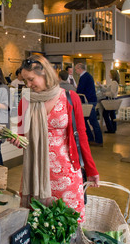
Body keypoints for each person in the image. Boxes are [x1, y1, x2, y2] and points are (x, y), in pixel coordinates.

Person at [9, 55, 99, 222]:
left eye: (31, 79)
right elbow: (23, 138)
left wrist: (91, 169)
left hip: (66, 173)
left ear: (44, 73)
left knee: (67, 224)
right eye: (25, 81)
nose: (28, 85)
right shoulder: (26, 102)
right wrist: (16, 140)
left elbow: (82, 135)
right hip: (35, 173)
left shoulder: (70, 98)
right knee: (39, 225)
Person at [75, 63, 103, 146]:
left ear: (80, 68)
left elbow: (80, 90)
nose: (75, 71)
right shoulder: (87, 76)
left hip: (89, 102)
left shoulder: (84, 77)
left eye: (76, 69)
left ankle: (98, 140)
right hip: (90, 101)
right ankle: (91, 138)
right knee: (86, 120)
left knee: (92, 121)